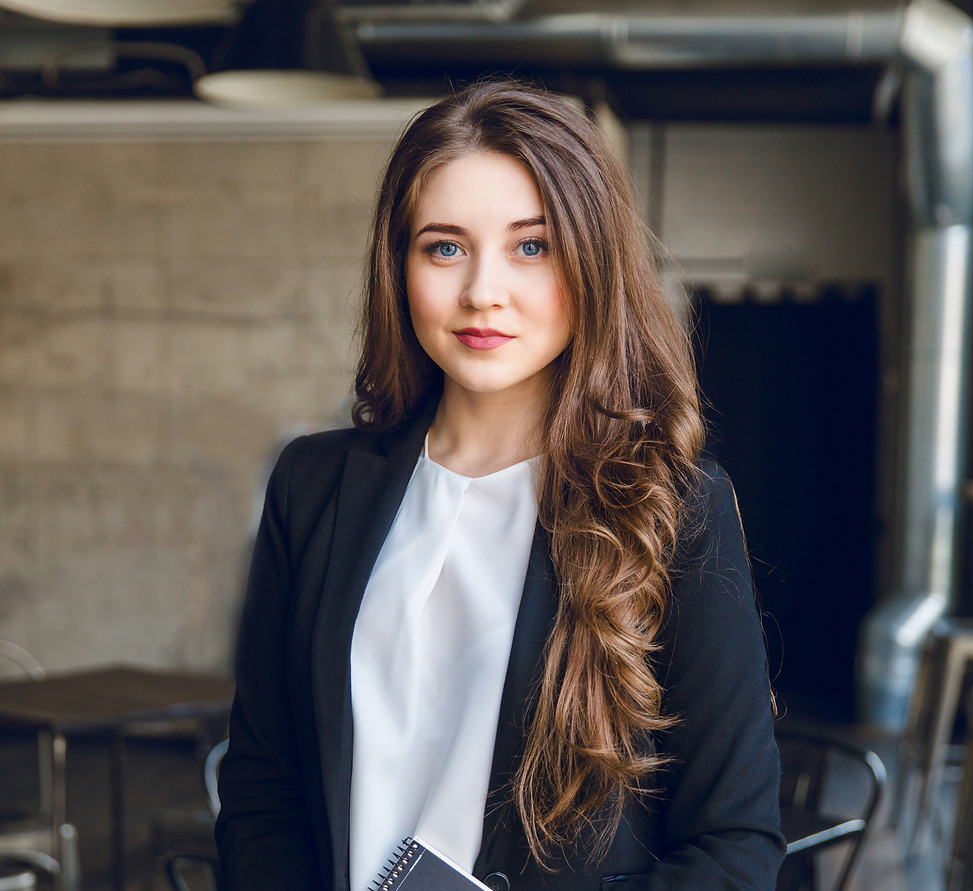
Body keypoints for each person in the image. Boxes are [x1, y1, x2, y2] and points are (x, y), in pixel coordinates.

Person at [215, 80, 785, 891]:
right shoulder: (312, 487)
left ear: (591, 262)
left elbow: (735, 846)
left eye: (531, 246)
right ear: (399, 265)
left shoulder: (675, 507)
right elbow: (262, 793)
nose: (484, 290)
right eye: (444, 246)